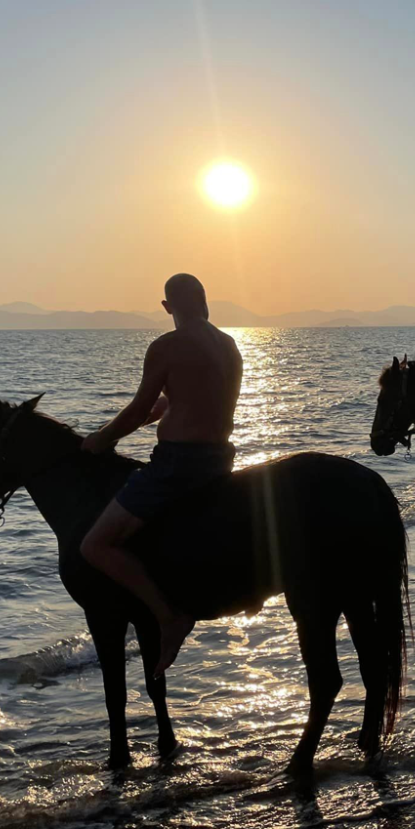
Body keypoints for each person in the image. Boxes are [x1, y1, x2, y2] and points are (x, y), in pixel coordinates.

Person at [80, 273, 243, 676]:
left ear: (168, 307)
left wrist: (101, 440)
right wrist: (164, 408)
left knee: (94, 546)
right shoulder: (229, 344)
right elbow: (193, 396)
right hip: (220, 459)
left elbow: (137, 412)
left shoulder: (166, 346)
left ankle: (167, 615)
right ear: (204, 299)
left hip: (178, 466)